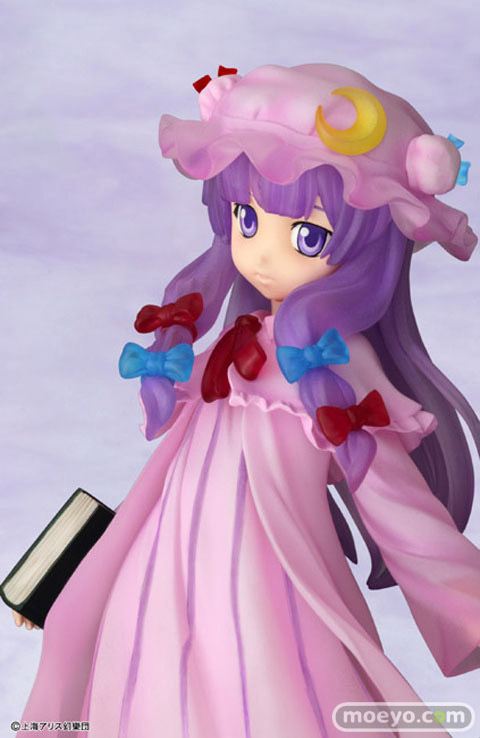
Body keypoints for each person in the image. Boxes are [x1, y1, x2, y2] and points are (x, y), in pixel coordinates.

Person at [17, 63, 480, 738]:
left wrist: (462, 598)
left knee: (270, 699)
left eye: (307, 235)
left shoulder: (334, 366)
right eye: (246, 218)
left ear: (367, 251)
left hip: (267, 593)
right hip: (164, 581)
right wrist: (77, 580)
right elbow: (161, 485)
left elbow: (394, 499)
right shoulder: (228, 347)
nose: (261, 254)